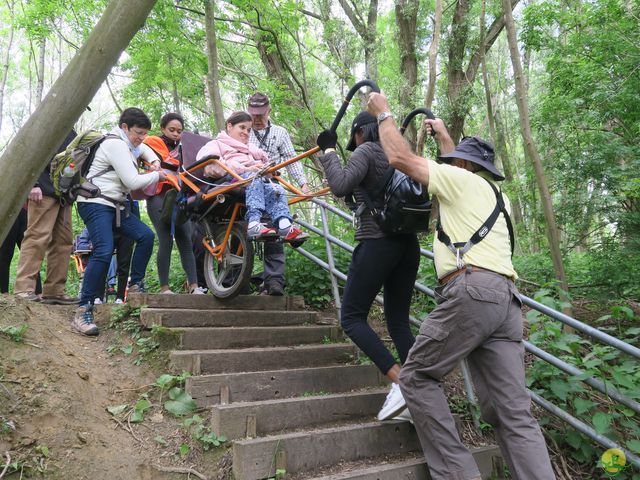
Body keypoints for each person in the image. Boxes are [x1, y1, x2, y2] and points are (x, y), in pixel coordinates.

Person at [367, 92, 555, 480]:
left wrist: (383, 113)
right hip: (506, 306)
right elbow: (456, 170)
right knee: (510, 411)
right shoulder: (494, 195)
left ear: (464, 165)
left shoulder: (459, 181)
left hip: (472, 292)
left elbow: (400, 159)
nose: (448, 165)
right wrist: (446, 139)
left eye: (454, 161)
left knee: (416, 377)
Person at [315, 111, 420, 422]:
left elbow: (339, 183)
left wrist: (330, 152)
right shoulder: (399, 153)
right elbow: (353, 192)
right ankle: (422, 388)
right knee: (398, 321)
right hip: (408, 244)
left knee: (351, 317)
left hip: (377, 242)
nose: (354, 142)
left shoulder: (367, 150)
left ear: (361, 131)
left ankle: (404, 383)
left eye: (354, 136)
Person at [73, 108, 166, 336]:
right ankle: (83, 308)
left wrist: (153, 160)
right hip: (95, 202)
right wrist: (158, 174)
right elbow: (133, 181)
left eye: (145, 133)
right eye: (138, 133)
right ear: (125, 127)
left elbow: (143, 148)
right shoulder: (115, 144)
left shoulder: (129, 143)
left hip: (116, 205)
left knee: (146, 236)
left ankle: (135, 285)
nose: (141, 138)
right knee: (104, 250)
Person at [196, 111, 308, 242]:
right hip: (230, 178)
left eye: (249, 130)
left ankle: (284, 225)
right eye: (242, 128)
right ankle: (254, 222)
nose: (246, 132)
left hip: (254, 178)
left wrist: (267, 170)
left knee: (277, 189)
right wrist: (245, 169)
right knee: (254, 178)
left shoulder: (251, 150)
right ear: (229, 126)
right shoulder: (216, 144)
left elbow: (261, 167)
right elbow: (211, 166)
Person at [247, 92, 310, 296]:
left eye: (260, 114)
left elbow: (292, 160)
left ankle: (274, 281)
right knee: (243, 224)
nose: (256, 118)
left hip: (273, 184)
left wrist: (304, 185)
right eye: (253, 114)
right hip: (246, 182)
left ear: (269, 111)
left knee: (276, 227)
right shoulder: (241, 129)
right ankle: (234, 277)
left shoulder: (280, 133)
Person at [13, 130, 77, 304]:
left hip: (64, 193)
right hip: (42, 189)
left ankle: (54, 291)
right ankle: (24, 288)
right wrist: (32, 184)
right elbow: (29, 155)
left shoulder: (72, 133)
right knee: (37, 236)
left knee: (63, 241)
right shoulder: (52, 124)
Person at [144, 113, 205, 295]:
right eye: (171, 130)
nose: (176, 134)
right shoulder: (152, 143)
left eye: (179, 131)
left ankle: (194, 286)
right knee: (165, 240)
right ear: (163, 128)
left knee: (185, 239)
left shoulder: (184, 149)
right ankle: (164, 288)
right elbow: (158, 163)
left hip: (179, 197)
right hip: (158, 196)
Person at [0, 203, 42, 295]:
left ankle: (38, 291)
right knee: (4, 254)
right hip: (5, 208)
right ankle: (3, 293)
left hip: (25, 210)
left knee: (31, 253)